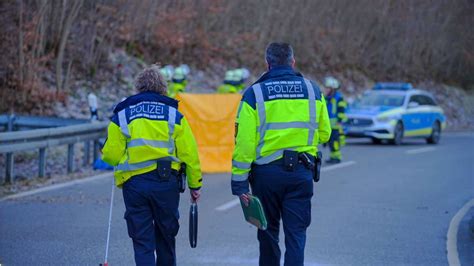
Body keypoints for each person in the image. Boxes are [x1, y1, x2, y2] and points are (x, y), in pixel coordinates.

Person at [231, 42, 331, 266]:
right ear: (293, 62)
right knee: (296, 235)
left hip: (266, 177)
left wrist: (238, 184)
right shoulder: (312, 90)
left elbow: (244, 143)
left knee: (267, 233)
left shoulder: (254, 94)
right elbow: (324, 134)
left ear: (267, 64)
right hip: (301, 174)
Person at [102, 65, 202, 266]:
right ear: (163, 88)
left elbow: (111, 156)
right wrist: (195, 185)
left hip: (135, 186)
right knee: (166, 238)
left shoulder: (123, 114)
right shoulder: (174, 115)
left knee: (142, 241)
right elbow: (189, 154)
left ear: (138, 87)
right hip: (166, 185)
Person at [323, 76, 347, 164]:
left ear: (333, 89)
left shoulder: (338, 98)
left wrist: (339, 120)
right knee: (330, 142)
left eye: (328, 88)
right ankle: (332, 157)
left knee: (335, 142)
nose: (326, 89)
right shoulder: (326, 98)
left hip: (336, 125)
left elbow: (341, 110)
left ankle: (337, 157)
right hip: (328, 125)